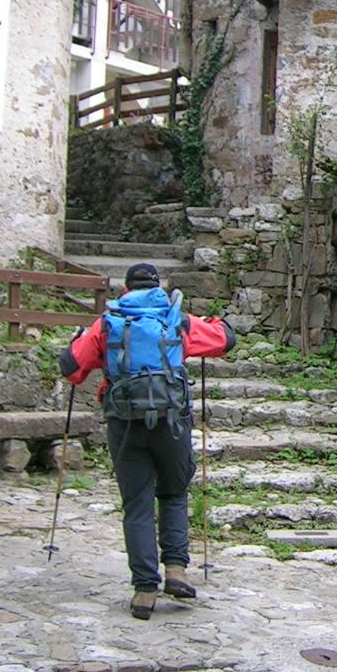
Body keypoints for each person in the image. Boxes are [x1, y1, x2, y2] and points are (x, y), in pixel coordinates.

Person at [60, 262, 234, 620]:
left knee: (137, 504)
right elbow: (225, 341)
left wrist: (77, 340)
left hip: (125, 423)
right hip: (172, 422)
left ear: (125, 288)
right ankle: (176, 570)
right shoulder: (175, 318)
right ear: (158, 286)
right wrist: (213, 323)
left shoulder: (108, 323)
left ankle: (144, 590)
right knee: (173, 492)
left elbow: (72, 369)